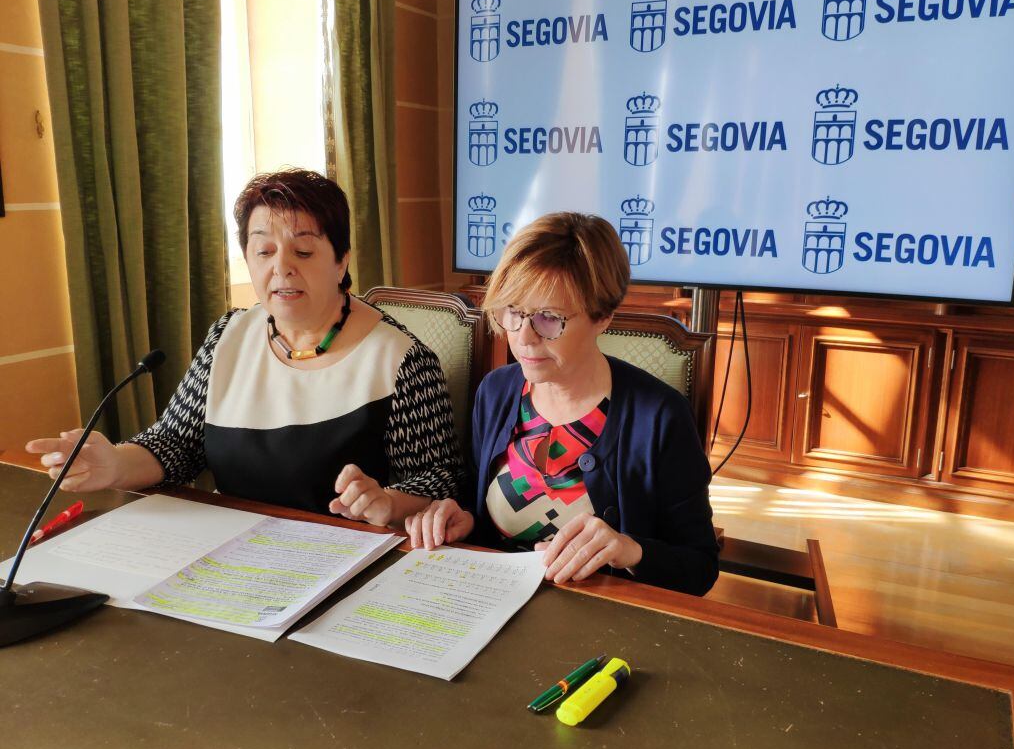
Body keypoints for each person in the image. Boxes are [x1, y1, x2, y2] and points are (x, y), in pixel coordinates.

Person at [27, 169, 461, 526]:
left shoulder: (401, 360)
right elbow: (176, 444)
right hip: (233, 553)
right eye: (264, 251)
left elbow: (440, 481)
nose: (282, 268)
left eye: (304, 251)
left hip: (347, 561)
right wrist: (115, 464)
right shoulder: (228, 337)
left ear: (342, 260)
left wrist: (386, 498)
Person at [405, 212, 719, 596]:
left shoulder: (657, 418)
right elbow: (483, 509)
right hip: (492, 605)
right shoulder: (496, 392)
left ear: (603, 316)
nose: (523, 338)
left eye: (549, 319)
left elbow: (700, 568)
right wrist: (465, 520)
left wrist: (629, 551)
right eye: (513, 313)